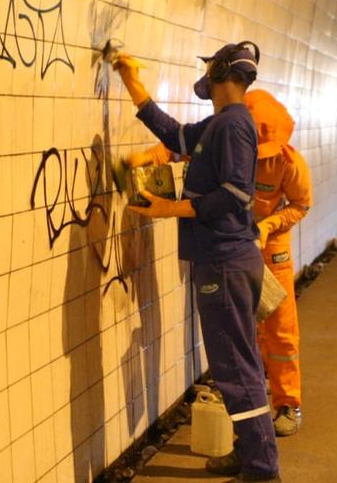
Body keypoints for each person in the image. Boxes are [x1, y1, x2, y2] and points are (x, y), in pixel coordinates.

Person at [114, 42, 282, 483]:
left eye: (210, 66)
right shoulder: (222, 123)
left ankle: (262, 469)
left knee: (235, 366)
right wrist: (132, 84)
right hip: (224, 257)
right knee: (235, 362)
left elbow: (233, 195)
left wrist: (170, 208)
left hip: (224, 261)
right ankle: (252, 452)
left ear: (223, 71)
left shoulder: (234, 125)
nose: (205, 73)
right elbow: (177, 137)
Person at [125, 90, 314, 436]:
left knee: (280, 330)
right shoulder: (223, 139)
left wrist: (269, 225)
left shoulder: (288, 163)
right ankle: (254, 399)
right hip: (229, 247)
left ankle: (288, 403)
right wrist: (145, 159)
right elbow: (176, 146)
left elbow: (301, 205)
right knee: (242, 330)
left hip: (270, 249)